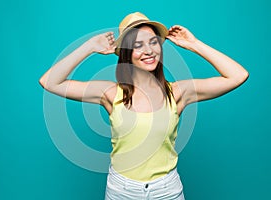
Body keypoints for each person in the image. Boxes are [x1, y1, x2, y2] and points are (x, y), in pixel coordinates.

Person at [39, 12, 248, 200]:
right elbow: (50, 82)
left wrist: (194, 44)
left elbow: (238, 75)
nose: (148, 51)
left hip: (166, 191)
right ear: (126, 54)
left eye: (153, 42)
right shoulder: (111, 94)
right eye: (137, 45)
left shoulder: (176, 93)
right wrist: (89, 47)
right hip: (121, 191)